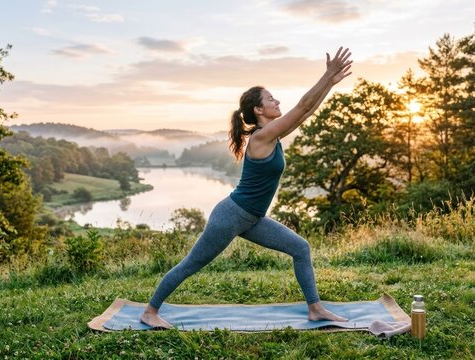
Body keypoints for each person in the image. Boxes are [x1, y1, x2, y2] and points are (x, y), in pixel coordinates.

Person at [141, 46, 353, 329]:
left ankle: (315, 308)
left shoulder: (272, 135)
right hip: (230, 216)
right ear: (258, 110)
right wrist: (326, 74)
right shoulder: (262, 138)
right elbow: (302, 108)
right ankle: (150, 311)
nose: (277, 101)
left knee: (300, 248)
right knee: (191, 264)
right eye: (271, 99)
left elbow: (305, 113)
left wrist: (330, 82)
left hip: (252, 218)